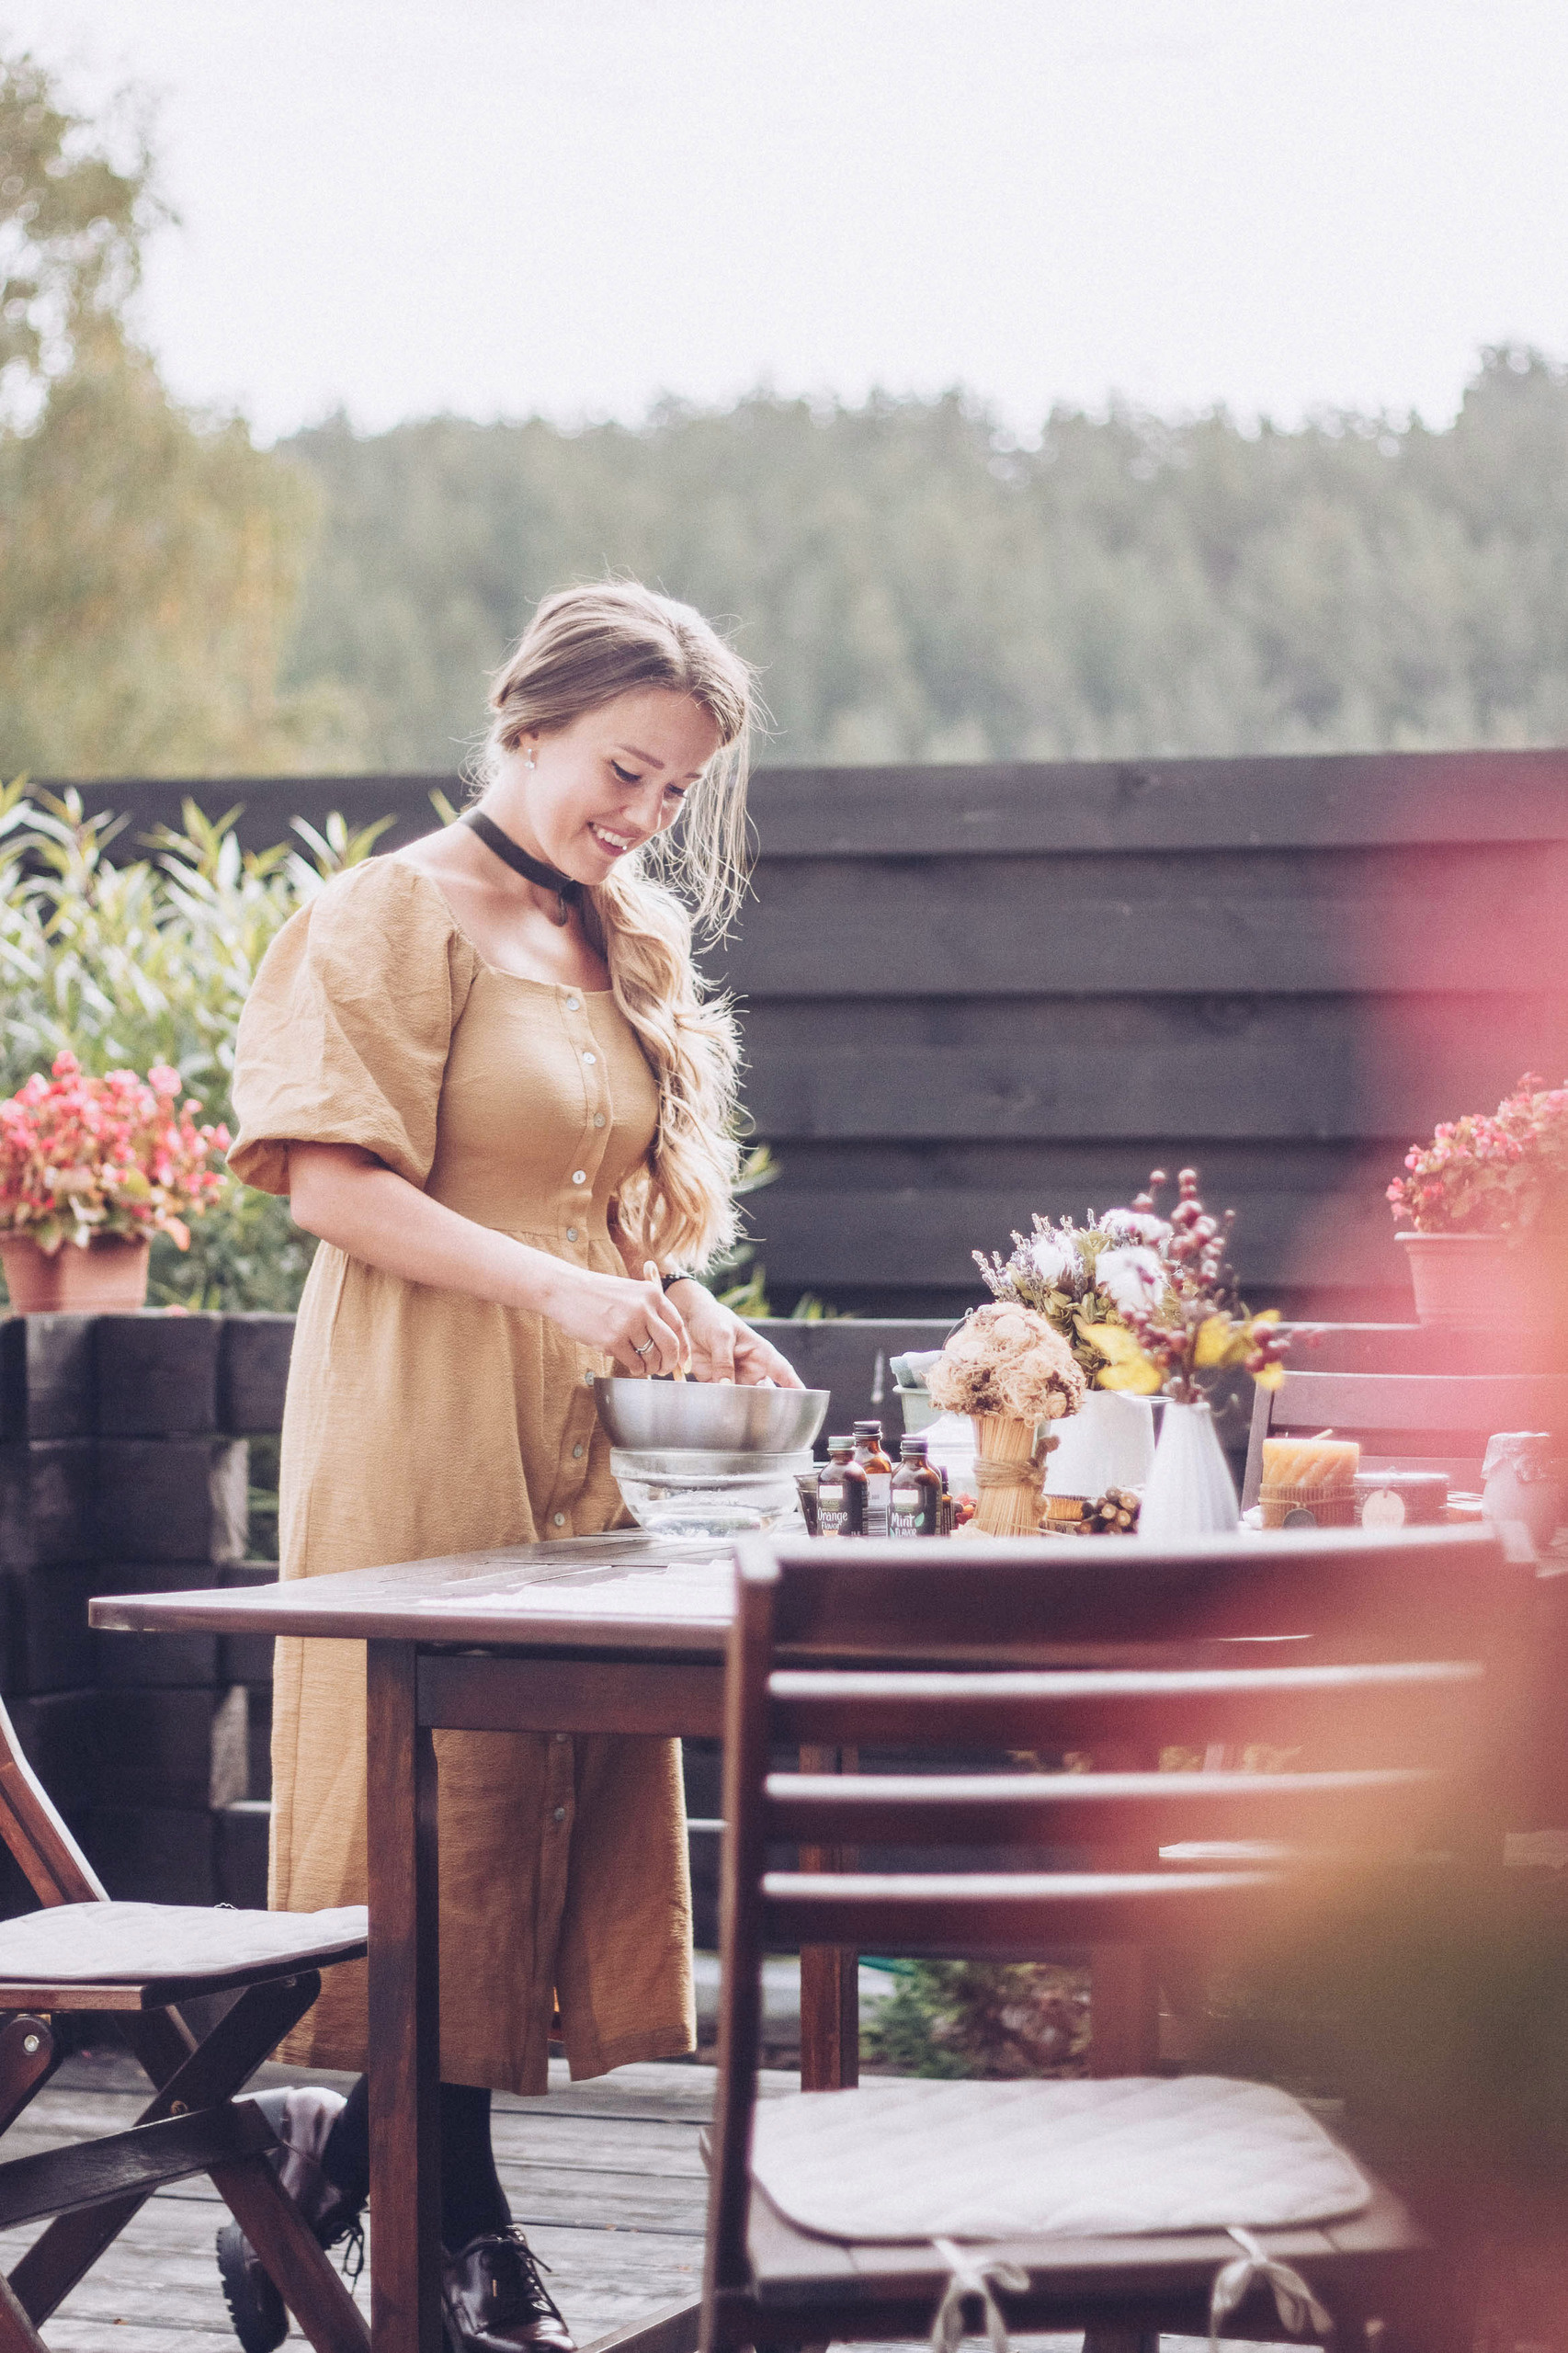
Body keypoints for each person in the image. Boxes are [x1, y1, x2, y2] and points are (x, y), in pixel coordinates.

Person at [216, 582, 801, 2353]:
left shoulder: (618, 939)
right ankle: (467, 2248)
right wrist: (562, 1294)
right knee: (443, 1803)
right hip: (422, 1399)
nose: (644, 816)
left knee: (533, 1790)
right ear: (526, 723)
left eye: (675, 791)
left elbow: (598, 1208)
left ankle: (338, 2172)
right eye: (624, 771)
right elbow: (328, 1183)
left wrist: (690, 1312)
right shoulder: (389, 914)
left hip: (581, 1423)